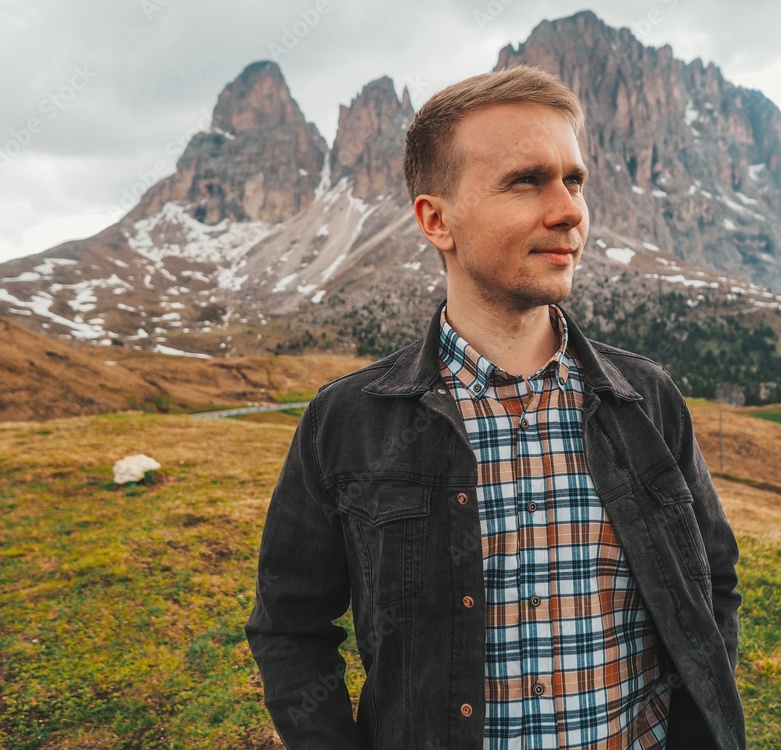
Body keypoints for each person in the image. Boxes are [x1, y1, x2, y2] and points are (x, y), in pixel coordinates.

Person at [245, 66, 745, 750]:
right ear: (436, 220)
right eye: (526, 181)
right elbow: (290, 627)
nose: (569, 210)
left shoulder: (647, 399)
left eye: (575, 180)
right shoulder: (346, 423)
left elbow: (712, 582)